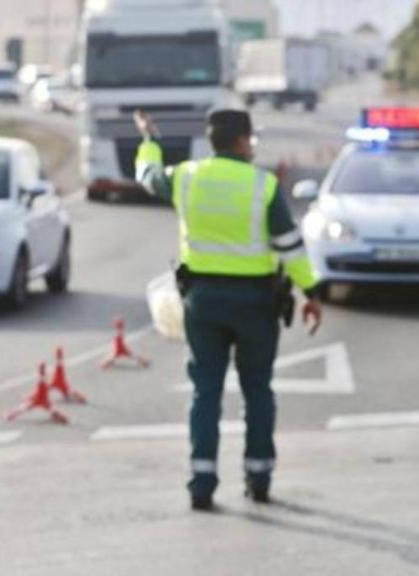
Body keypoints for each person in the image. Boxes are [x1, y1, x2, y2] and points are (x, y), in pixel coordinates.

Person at [133, 108, 322, 510]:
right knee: (257, 390)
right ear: (241, 141)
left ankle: (201, 482)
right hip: (256, 304)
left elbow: (148, 177)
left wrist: (149, 141)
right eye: (250, 140)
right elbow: (290, 248)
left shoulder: (186, 177)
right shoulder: (263, 186)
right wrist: (311, 292)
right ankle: (259, 476)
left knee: (205, 392)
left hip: (202, 301)